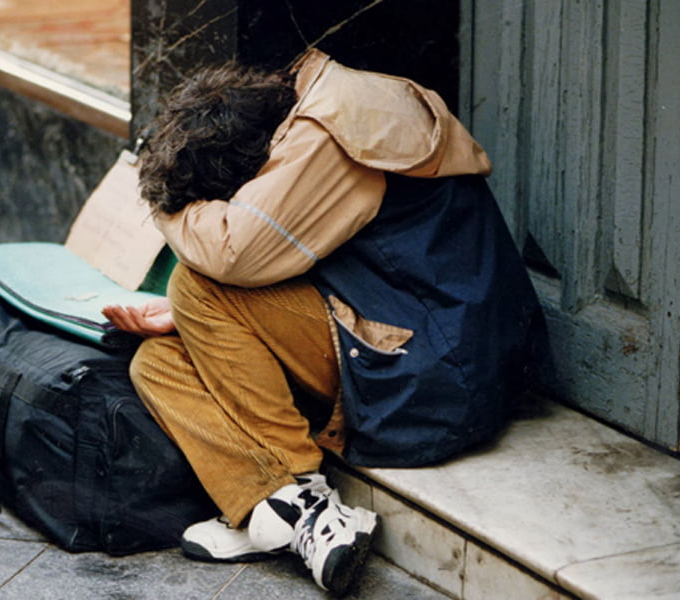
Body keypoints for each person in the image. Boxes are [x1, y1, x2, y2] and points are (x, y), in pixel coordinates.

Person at [103, 49, 543, 596]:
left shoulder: (325, 140)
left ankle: (300, 494)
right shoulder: (315, 103)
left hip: (439, 380)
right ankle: (282, 508)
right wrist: (198, 323)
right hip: (413, 338)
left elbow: (229, 253)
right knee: (158, 360)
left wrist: (165, 203)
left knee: (197, 285)